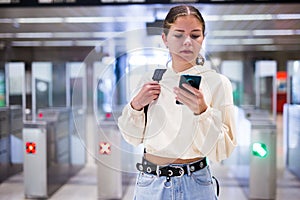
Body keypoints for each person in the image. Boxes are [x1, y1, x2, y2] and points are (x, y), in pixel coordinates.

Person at [118, 4, 237, 200]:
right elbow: (132, 138)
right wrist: (136, 106)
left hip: (196, 183)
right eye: (179, 35)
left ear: (203, 39)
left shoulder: (217, 83)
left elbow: (222, 150)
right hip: (151, 182)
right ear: (165, 39)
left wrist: (203, 112)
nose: (187, 42)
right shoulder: (151, 79)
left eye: (195, 35)